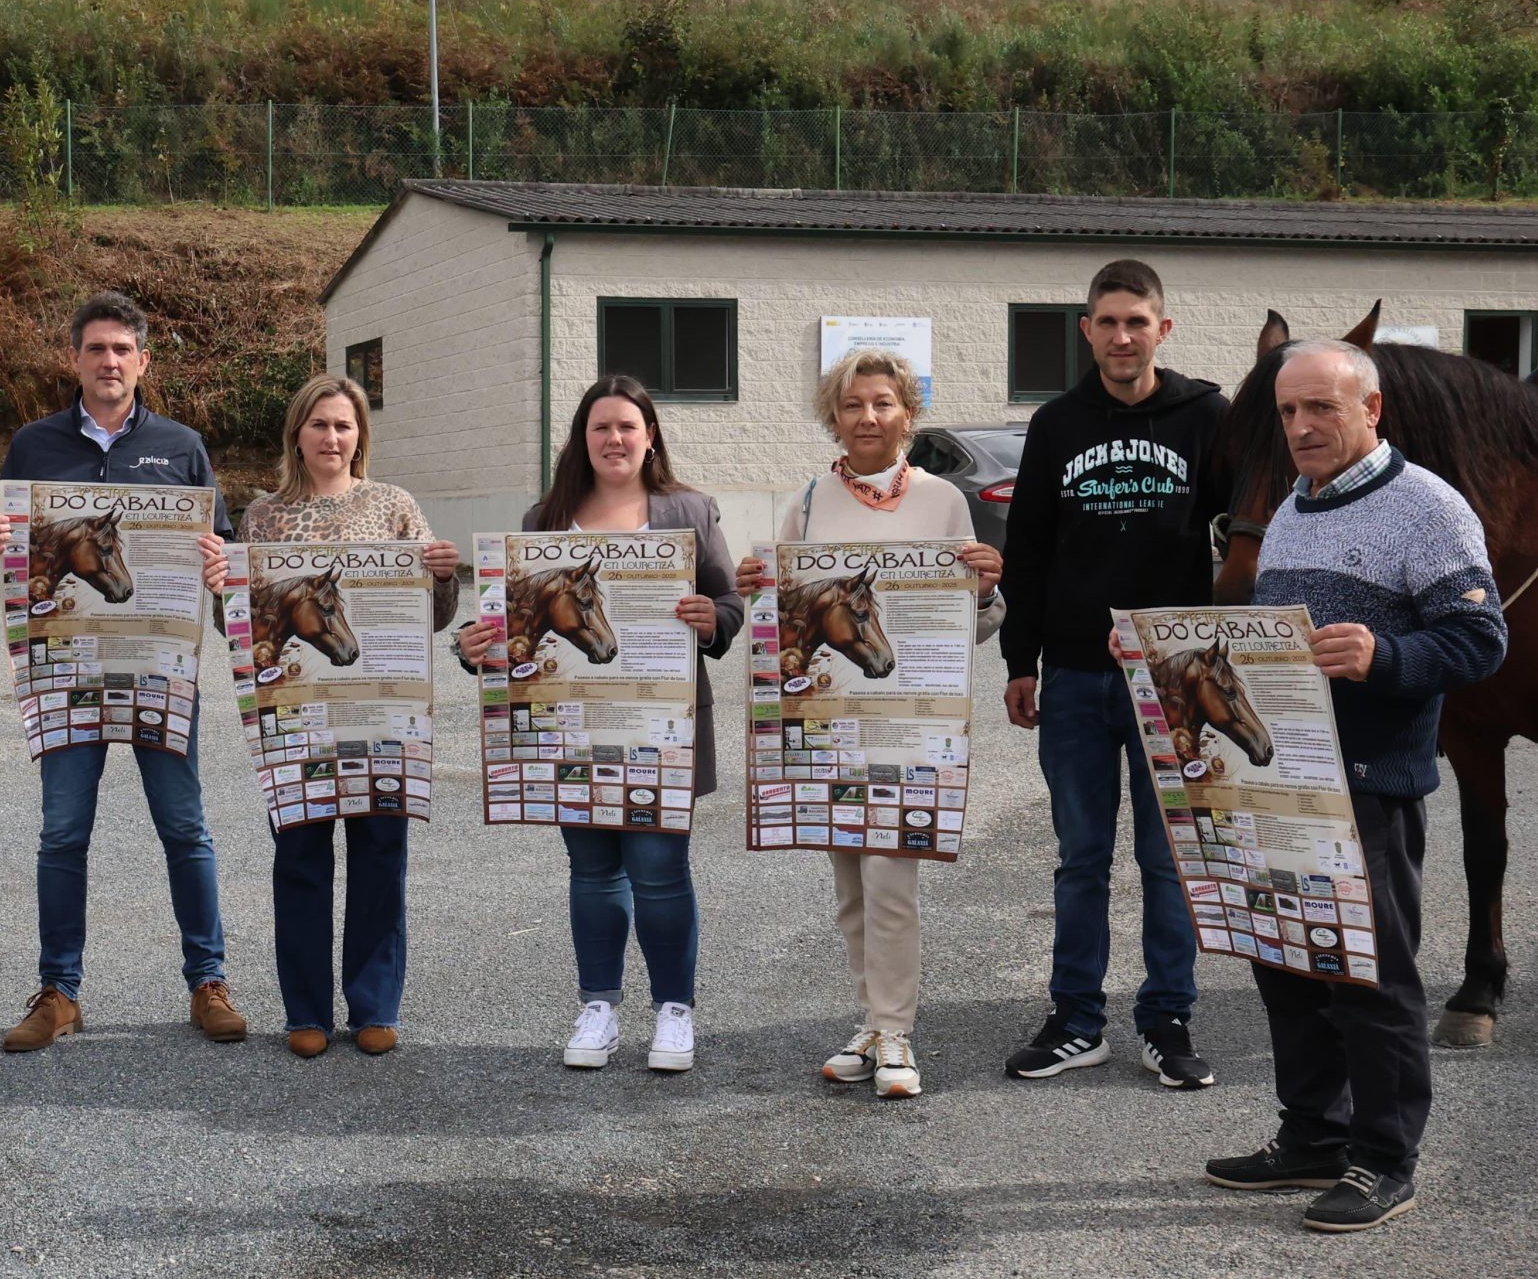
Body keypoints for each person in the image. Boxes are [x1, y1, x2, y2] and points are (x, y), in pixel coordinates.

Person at [1203, 339, 1505, 1232]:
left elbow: (1482, 643)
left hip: (1369, 782)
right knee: (1287, 962)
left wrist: (1387, 655)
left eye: (1320, 409)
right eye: (1288, 411)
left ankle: (1384, 1159)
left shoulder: (1428, 509)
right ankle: (1312, 1136)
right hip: (1282, 779)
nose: (1300, 427)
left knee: (1369, 977)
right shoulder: (1292, 508)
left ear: (1372, 411)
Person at [0, 292, 249, 1053]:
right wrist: (0, 539)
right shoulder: (32, 446)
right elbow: (1, 554)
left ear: (143, 361)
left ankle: (209, 980)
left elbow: (223, 559)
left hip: (159, 672)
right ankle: (59, 991)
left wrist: (217, 565)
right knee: (64, 832)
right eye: (96, 349)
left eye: (122, 350)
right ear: (75, 359)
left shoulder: (182, 446)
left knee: (185, 828)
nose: (109, 362)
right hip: (64, 672)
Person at [734, 349, 1003, 1100]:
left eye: (882, 403)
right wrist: (758, 589)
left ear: (907, 415)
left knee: (891, 878)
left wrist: (982, 592)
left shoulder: (946, 501)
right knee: (850, 880)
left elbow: (970, 629)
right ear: (835, 416)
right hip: (829, 722)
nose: (868, 418)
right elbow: (785, 621)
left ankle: (896, 1031)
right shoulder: (811, 502)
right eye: (853, 405)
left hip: (908, 727)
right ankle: (871, 1020)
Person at [455, 375, 740, 1073]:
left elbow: (729, 602)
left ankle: (674, 1012)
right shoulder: (545, 520)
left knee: (660, 869)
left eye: (627, 427)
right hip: (566, 724)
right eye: (600, 428)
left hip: (660, 724)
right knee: (591, 870)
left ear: (649, 437)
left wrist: (713, 621)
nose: (615, 439)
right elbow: (506, 624)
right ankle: (599, 1008)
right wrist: (473, 647)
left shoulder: (690, 510)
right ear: (582, 440)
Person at [998, 258, 1229, 1090]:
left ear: (1162, 329)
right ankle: (1076, 1020)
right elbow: (1025, 550)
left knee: (1170, 857)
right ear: (1086, 331)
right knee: (1080, 857)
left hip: (1173, 680)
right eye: (1108, 321)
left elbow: (1249, 530)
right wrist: (1020, 660)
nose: (1123, 336)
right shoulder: (1057, 424)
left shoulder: (1207, 416)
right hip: (1075, 676)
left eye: (1138, 321)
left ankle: (1167, 1018)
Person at [201, 374, 462, 1059]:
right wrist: (220, 592)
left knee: (381, 856)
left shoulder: (395, 506)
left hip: (382, 711)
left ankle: (374, 1005)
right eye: (319, 424)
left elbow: (434, 617)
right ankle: (306, 1011)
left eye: (344, 426)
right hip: (296, 715)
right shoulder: (261, 517)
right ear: (298, 433)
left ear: (360, 437)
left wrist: (443, 574)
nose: (332, 437)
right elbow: (239, 631)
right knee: (301, 858)